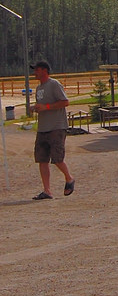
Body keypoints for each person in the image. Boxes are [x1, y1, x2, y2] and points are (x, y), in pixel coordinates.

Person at [30, 61, 75, 200]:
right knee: (42, 159)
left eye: (36, 70)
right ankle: (47, 191)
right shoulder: (39, 88)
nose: (34, 73)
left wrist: (46, 107)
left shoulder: (54, 84)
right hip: (43, 128)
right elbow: (44, 106)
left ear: (44, 70)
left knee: (57, 159)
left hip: (56, 127)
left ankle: (69, 179)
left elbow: (65, 102)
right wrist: (37, 108)